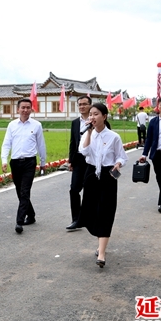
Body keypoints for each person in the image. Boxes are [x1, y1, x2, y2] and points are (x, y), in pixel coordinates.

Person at [77, 102, 128, 268]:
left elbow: (122, 157)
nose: (92, 117)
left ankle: (102, 253)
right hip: (91, 174)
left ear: (104, 117)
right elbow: (83, 151)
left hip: (108, 175)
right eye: (90, 114)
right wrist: (89, 133)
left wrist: (118, 164)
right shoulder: (87, 134)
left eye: (96, 114)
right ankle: (100, 241)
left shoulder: (113, 137)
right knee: (90, 211)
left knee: (106, 211)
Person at [1, 98, 47, 234]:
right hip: (15, 162)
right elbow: (6, 143)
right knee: (19, 191)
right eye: (23, 107)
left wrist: (42, 163)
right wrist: (4, 159)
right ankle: (31, 215)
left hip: (29, 162)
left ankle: (19, 221)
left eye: (28, 107)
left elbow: (41, 145)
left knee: (24, 191)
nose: (25, 110)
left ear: (31, 109)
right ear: (18, 109)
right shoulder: (12, 125)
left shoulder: (36, 125)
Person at [66, 95, 92, 231]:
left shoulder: (96, 120)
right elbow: (73, 142)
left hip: (92, 160)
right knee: (74, 189)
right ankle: (76, 219)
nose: (82, 107)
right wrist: (71, 160)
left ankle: (90, 217)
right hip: (79, 160)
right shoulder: (75, 122)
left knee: (90, 189)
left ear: (90, 105)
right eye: (80, 104)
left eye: (84, 104)